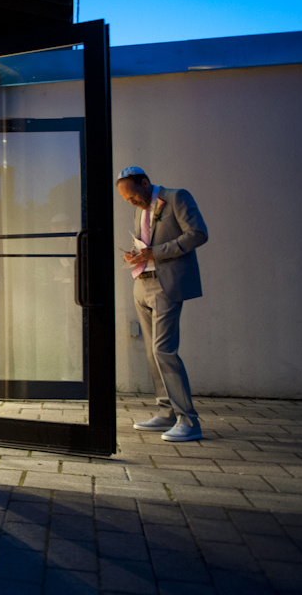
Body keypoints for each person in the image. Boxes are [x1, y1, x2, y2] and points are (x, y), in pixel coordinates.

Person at [118, 166, 208, 442]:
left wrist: (155, 253)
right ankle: (166, 412)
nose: (132, 203)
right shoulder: (138, 209)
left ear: (145, 183)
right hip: (141, 283)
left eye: (133, 197)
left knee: (164, 351)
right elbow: (146, 243)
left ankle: (189, 421)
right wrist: (135, 255)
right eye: (127, 201)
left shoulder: (177, 197)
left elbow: (197, 234)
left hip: (166, 283)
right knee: (151, 352)